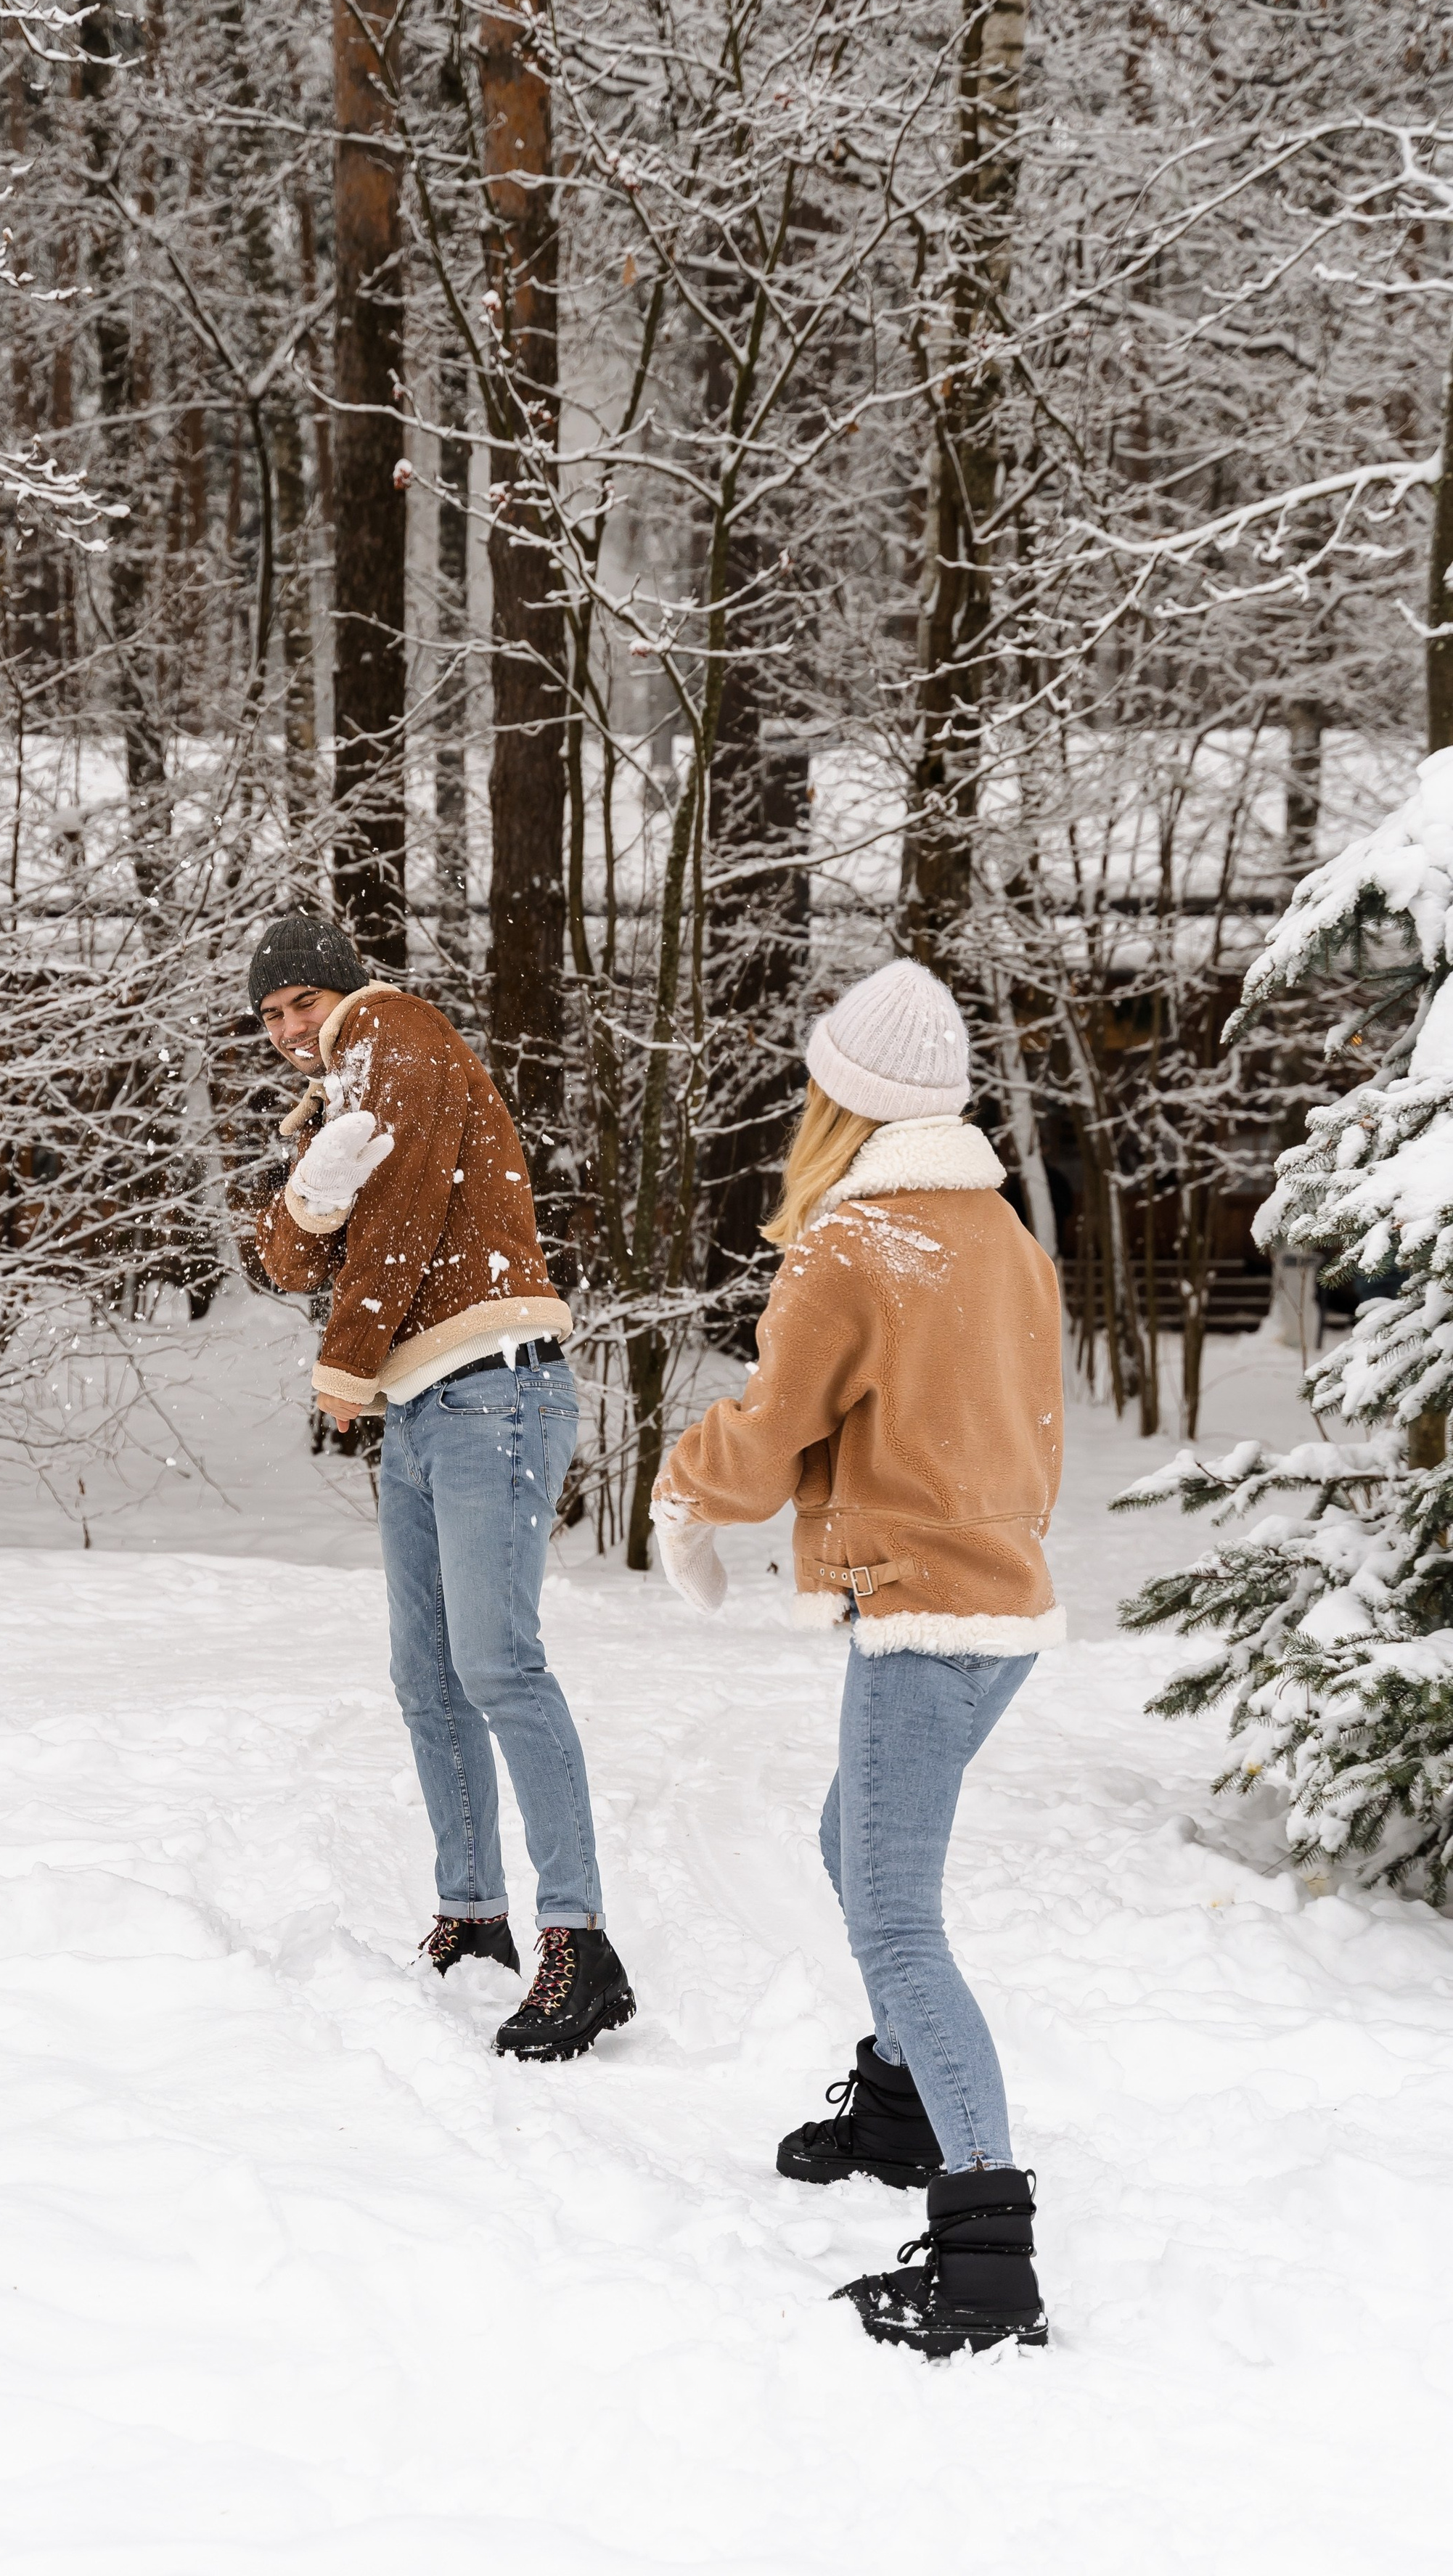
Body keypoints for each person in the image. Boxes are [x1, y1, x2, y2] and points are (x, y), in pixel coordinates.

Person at [654, 959, 1062, 2357]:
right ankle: (898, 2109)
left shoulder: (857, 1241)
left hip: (919, 1618)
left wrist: (682, 1490)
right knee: (852, 1845)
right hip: (1003, 1613)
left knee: (896, 1922)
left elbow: (770, 1430)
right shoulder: (1002, 1235)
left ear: (844, 1103)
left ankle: (987, 2259)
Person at [247, 911, 636, 2064]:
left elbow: (410, 1214)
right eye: (270, 1015)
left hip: (494, 1387)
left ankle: (581, 1942)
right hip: (428, 1405)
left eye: (304, 1002)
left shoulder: (398, 1032)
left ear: (345, 989)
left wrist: (343, 1363)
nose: (290, 1028)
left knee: (498, 1666)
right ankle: (473, 1916)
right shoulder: (341, 1090)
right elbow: (280, 1260)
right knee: (428, 1674)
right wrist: (310, 1197)